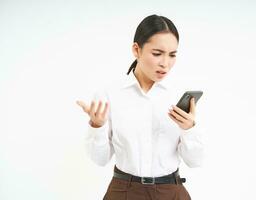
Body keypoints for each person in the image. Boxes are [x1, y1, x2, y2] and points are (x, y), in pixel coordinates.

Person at [77, 14, 203, 200]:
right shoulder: (109, 95)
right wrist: (97, 127)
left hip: (171, 191)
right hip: (124, 191)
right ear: (137, 49)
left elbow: (195, 162)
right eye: (157, 53)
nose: (165, 63)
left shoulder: (179, 94)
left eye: (172, 55)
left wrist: (189, 130)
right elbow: (100, 159)